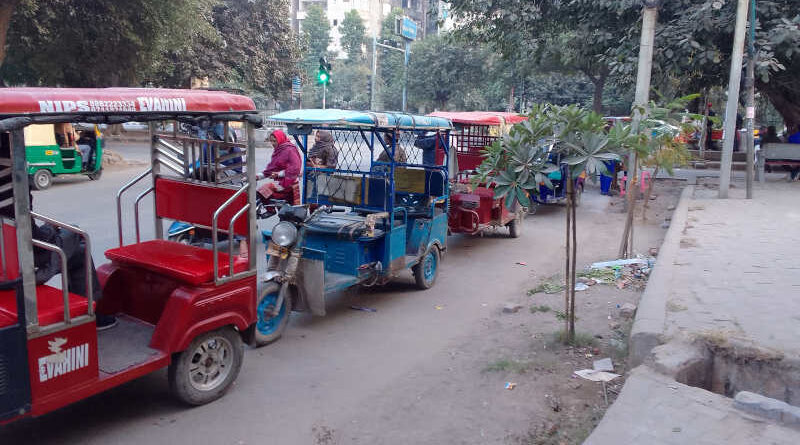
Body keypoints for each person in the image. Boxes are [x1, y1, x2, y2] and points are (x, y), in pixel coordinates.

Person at [257, 129, 301, 202]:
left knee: (263, 191)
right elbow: (271, 170)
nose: (272, 143)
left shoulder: (290, 150)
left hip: (289, 182)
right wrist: (258, 176)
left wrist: (279, 174)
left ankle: (270, 211)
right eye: (271, 141)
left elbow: (295, 168)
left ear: (280, 139)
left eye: (274, 141)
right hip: (280, 182)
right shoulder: (278, 150)